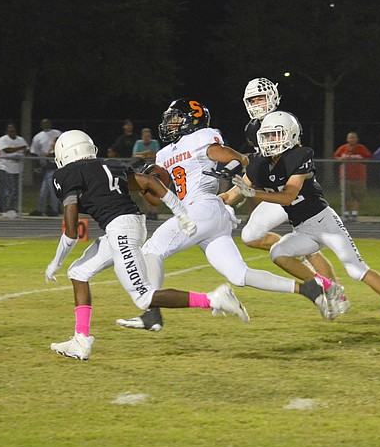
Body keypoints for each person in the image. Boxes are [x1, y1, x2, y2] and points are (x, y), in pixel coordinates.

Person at [115, 98, 339, 333]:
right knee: (239, 274)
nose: (170, 124)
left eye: (176, 119)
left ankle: (152, 314)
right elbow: (166, 188)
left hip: (201, 208)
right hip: (209, 217)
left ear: (193, 120)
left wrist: (237, 162)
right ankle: (309, 290)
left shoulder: (201, 137)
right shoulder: (163, 156)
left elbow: (230, 156)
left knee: (152, 250)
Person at [45, 129, 249, 360]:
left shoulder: (66, 174)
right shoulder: (109, 165)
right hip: (130, 224)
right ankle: (80, 339)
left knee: (144, 297)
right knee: (79, 272)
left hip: (120, 230)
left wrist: (55, 262)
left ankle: (213, 299)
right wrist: (180, 213)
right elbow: (150, 181)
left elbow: (71, 234)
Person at [226, 111, 380, 332]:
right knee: (278, 253)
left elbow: (288, 196)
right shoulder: (260, 164)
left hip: (324, 223)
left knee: (356, 269)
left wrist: (253, 194)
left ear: (290, 135)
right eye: (267, 136)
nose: (271, 141)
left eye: (276, 135)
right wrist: (208, 204)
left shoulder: (300, 155)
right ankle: (329, 287)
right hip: (302, 229)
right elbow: (232, 194)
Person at [236, 78, 348, 313]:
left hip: (292, 191)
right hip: (272, 191)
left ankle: (335, 290)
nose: (257, 103)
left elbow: (292, 161)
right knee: (250, 236)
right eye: (252, 99)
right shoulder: (251, 128)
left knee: (305, 244)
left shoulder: (284, 120)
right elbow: (260, 161)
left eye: (261, 98)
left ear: (273, 98)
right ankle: (303, 256)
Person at [333, 131, 373, 222]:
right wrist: (341, 158)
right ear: (347, 139)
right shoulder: (343, 148)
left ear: (357, 139)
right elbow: (336, 156)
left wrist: (361, 158)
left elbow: (369, 157)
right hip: (345, 176)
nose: (352, 139)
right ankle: (346, 213)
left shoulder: (361, 148)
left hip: (359, 177)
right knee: (346, 196)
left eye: (354, 137)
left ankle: (354, 213)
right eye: (350, 137)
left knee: (357, 196)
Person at [29, 118, 62, 217]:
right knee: (44, 190)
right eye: (44, 123)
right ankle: (41, 209)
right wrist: (37, 165)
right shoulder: (38, 137)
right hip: (47, 169)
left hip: (55, 169)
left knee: (52, 190)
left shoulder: (57, 134)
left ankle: (54, 209)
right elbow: (34, 153)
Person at [0, 123, 28, 218]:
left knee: (15, 190)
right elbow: (6, 150)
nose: (12, 132)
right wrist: (19, 148)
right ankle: (7, 209)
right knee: (9, 189)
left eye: (13, 131)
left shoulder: (20, 139)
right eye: (10, 131)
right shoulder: (3, 139)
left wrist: (24, 150)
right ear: (6, 132)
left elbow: (26, 149)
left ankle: (11, 208)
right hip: (5, 167)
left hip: (17, 169)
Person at [131, 127, 161, 219]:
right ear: (142, 136)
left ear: (150, 136)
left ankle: (154, 212)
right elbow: (134, 155)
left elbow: (156, 154)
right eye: (145, 136)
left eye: (148, 136)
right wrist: (147, 152)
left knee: (154, 191)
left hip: (153, 170)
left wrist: (143, 155)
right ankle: (150, 211)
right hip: (142, 170)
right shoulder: (138, 143)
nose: (146, 138)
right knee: (143, 191)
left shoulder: (154, 142)